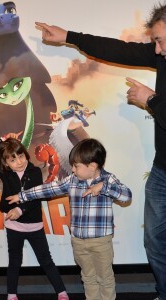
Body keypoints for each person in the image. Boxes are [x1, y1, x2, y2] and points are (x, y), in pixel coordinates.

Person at [34, 4, 166, 298]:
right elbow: (118, 50)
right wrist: (69, 36)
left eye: (159, 40)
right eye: (155, 41)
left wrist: (152, 100)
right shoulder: (162, 57)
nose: (156, 50)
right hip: (162, 170)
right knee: (155, 242)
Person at [7, 138, 132, 300]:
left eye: (76, 166)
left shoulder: (108, 179)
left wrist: (103, 187)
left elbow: (127, 196)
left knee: (105, 278)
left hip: (101, 241)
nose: (72, 170)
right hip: (79, 241)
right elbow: (48, 189)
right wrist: (22, 196)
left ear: (92, 166)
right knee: (88, 277)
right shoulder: (72, 181)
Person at [0, 134, 69, 300]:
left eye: (21, 156)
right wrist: (0, 140)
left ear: (26, 154)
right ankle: (11, 295)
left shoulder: (35, 171)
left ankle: (62, 292)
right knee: (15, 262)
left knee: (46, 261)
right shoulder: (6, 174)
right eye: (13, 159)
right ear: (5, 163)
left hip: (34, 225)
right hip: (14, 227)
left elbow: (35, 197)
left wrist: (20, 210)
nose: (19, 161)